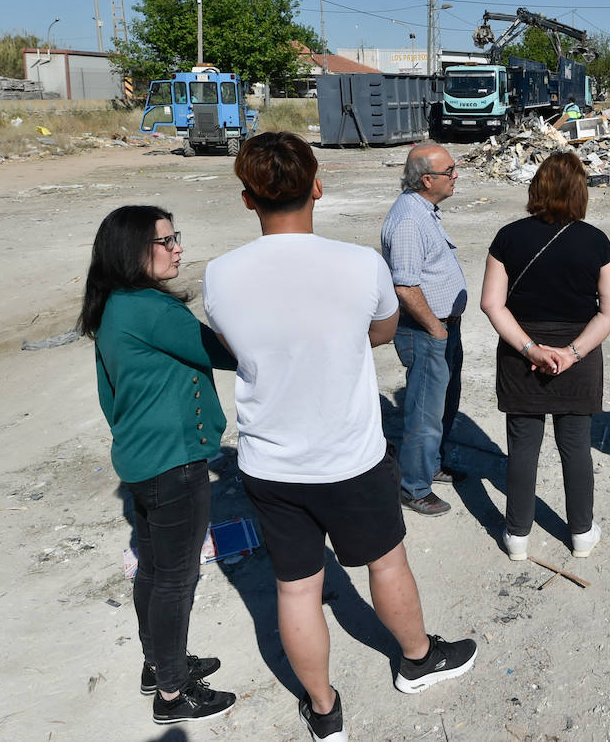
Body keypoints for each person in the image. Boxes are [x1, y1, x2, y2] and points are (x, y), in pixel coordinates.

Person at [204, 133, 476, 742]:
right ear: (318, 186)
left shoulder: (220, 276)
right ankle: (416, 660)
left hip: (270, 463)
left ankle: (324, 710)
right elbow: (382, 331)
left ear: (248, 201)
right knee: (385, 562)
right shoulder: (360, 264)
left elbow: (232, 344)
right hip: (351, 456)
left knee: (296, 588)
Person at [78, 205, 237, 725]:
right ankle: (171, 693)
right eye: (165, 241)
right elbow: (226, 352)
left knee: (154, 569)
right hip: (174, 459)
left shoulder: (113, 307)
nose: (178, 249)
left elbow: (110, 396)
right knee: (176, 578)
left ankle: (157, 662)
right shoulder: (150, 309)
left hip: (140, 457)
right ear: (131, 251)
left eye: (175, 238)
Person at [479, 150, 610, 561]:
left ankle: (517, 536)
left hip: (519, 352)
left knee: (523, 446)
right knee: (575, 445)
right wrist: (571, 353)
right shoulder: (596, 241)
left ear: (536, 187)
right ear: (581, 193)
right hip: (578, 352)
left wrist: (530, 349)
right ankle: (580, 533)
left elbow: (492, 304)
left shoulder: (507, 237)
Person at [381, 143, 468, 517]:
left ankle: (430, 464)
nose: (456, 175)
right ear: (427, 179)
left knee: (442, 404)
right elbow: (405, 286)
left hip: (442, 328)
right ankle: (414, 486)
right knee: (423, 413)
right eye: (450, 170)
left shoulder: (424, 209)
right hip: (425, 331)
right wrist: (435, 328)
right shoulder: (409, 221)